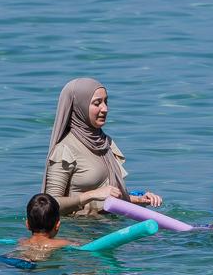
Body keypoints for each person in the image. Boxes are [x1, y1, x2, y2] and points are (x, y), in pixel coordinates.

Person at [42, 78, 163, 216]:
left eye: (106, 102)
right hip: (79, 231)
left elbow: (107, 197)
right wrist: (91, 195)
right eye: (97, 103)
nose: (105, 109)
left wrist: (139, 200)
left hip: (109, 225)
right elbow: (49, 206)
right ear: (79, 106)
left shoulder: (105, 143)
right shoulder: (65, 149)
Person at [14, 193, 77, 259]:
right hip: (40, 262)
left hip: (16, 258)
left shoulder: (22, 242)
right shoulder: (63, 243)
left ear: (27, 224)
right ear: (57, 225)